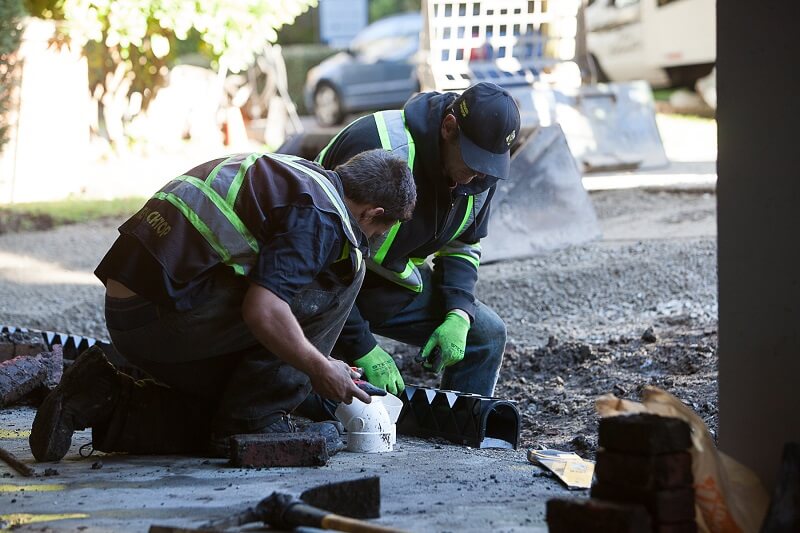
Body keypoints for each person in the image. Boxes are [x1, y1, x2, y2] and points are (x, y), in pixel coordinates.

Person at [29, 149, 416, 462]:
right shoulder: (320, 219)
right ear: (373, 213)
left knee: (233, 399)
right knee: (345, 274)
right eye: (379, 231)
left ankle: (101, 397)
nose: (376, 237)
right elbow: (263, 310)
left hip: (139, 311)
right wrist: (317, 364)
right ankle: (254, 420)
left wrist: (308, 363)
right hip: (157, 321)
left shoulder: (299, 175)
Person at [315, 82, 521, 397]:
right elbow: (321, 261)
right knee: (319, 392)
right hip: (322, 283)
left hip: (386, 286)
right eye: (473, 163)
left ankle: (459, 433)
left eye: (489, 167)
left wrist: (458, 313)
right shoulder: (380, 146)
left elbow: (462, 246)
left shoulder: (482, 174)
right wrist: (363, 345)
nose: (479, 177)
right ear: (448, 128)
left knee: (487, 333)